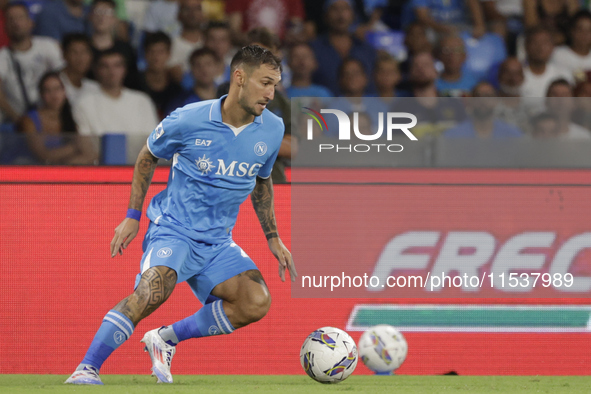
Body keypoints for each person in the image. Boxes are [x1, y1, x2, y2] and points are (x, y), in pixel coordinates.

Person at [64, 44, 296, 385]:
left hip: (217, 242)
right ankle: (87, 367)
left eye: (274, 84)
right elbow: (147, 156)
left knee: (255, 302)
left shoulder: (272, 129)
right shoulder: (189, 118)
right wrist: (132, 214)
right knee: (153, 290)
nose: (270, 93)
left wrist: (273, 238)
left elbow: (261, 181)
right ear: (239, 78)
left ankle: (165, 339)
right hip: (174, 230)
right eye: (264, 83)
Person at [73, 49, 159, 161]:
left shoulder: (142, 101)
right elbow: (87, 147)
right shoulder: (84, 103)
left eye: (117, 66)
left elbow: (153, 142)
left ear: (124, 69)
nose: (111, 71)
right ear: (97, 70)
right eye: (105, 66)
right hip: (100, 169)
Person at [0, 2, 63, 123]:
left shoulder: (48, 46)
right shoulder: (2, 57)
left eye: (20, 17)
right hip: (18, 119)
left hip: (53, 117)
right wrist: (20, 121)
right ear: (5, 26)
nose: (16, 23)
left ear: (31, 22)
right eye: (11, 19)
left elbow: (64, 79)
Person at [19, 71, 97, 164]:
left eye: (57, 89)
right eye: (48, 90)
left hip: (61, 171)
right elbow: (42, 155)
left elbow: (91, 154)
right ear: (41, 94)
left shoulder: (71, 118)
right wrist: (74, 147)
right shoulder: (29, 121)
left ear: (64, 92)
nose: (54, 95)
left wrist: (66, 165)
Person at [309, 0, 377, 96]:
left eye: (345, 9)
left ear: (353, 15)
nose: (340, 14)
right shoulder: (313, 49)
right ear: (325, 15)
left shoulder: (367, 50)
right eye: (334, 9)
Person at [88, 0, 140, 90]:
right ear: (90, 16)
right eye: (98, 11)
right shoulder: (82, 48)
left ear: (115, 19)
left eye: (108, 12)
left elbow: (133, 81)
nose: (102, 17)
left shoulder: (126, 49)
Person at [444, 81, 523, 138]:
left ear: (496, 101)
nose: (483, 100)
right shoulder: (453, 135)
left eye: (488, 96)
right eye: (478, 96)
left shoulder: (511, 135)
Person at [139, 31, 185, 119]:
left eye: (161, 52)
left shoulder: (176, 90)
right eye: (152, 52)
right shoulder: (133, 84)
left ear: (169, 55)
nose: (156, 57)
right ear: (145, 54)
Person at [521, 26, 572, 98]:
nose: (540, 47)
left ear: (553, 46)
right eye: (535, 42)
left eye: (545, 43)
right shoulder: (517, 75)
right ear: (526, 45)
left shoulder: (563, 74)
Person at [60, 33, 100, 103]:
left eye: (84, 52)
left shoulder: (94, 87)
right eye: (74, 52)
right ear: (64, 55)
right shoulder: (54, 83)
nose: (80, 58)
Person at [551, 11, 591, 81]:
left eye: (589, 30)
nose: (584, 34)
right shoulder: (557, 54)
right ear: (572, 31)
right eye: (580, 29)